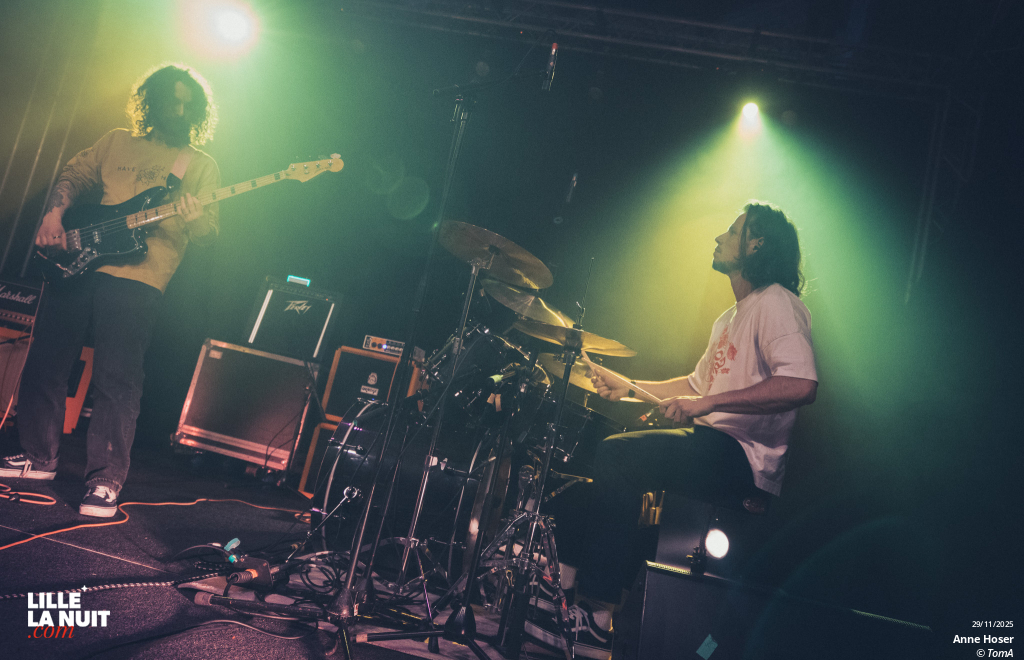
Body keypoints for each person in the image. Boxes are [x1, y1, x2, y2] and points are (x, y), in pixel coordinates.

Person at [525, 202, 818, 659]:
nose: (719, 238)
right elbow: (695, 384)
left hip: (742, 458)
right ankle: (561, 601)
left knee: (619, 456)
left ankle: (599, 617)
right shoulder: (730, 317)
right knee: (585, 488)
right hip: (713, 445)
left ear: (756, 244)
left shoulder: (778, 302)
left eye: (733, 230)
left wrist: (709, 404)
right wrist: (630, 386)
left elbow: (800, 384)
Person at [0, 64, 220, 517]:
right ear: (152, 102)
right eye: (171, 101)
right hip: (80, 263)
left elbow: (208, 234)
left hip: (140, 278)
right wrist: (54, 215)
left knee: (117, 380)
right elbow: (74, 176)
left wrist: (197, 220)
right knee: (46, 361)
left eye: (187, 105)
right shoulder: (116, 140)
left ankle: (104, 480)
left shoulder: (198, 165)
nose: (178, 111)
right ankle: (39, 458)